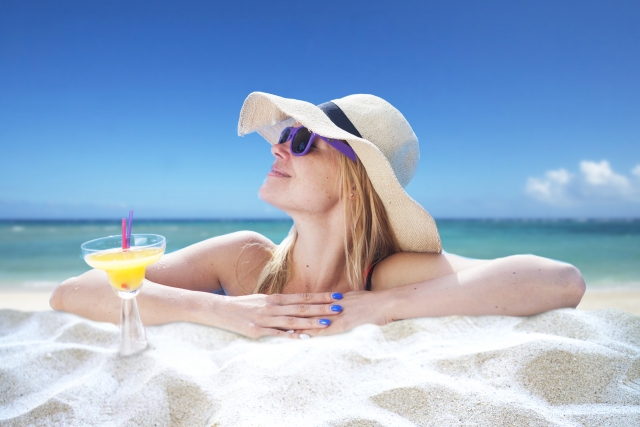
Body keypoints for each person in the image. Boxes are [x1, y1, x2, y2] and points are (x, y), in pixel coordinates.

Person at [50, 92, 586, 339]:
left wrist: (381, 308)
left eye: (302, 140)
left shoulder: (383, 277)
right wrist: (228, 312)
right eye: (281, 138)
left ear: (358, 182)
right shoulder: (243, 261)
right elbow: (75, 291)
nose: (278, 149)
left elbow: (558, 280)